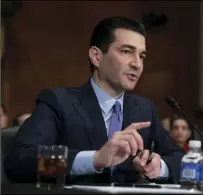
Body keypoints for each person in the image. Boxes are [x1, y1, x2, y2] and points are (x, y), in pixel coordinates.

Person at [4, 16, 184, 185]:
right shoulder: (59, 102)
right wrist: (94, 159)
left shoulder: (145, 109)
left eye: (142, 56)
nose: (137, 64)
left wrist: (158, 167)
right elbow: (19, 161)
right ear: (96, 56)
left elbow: (180, 161)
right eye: (127, 51)